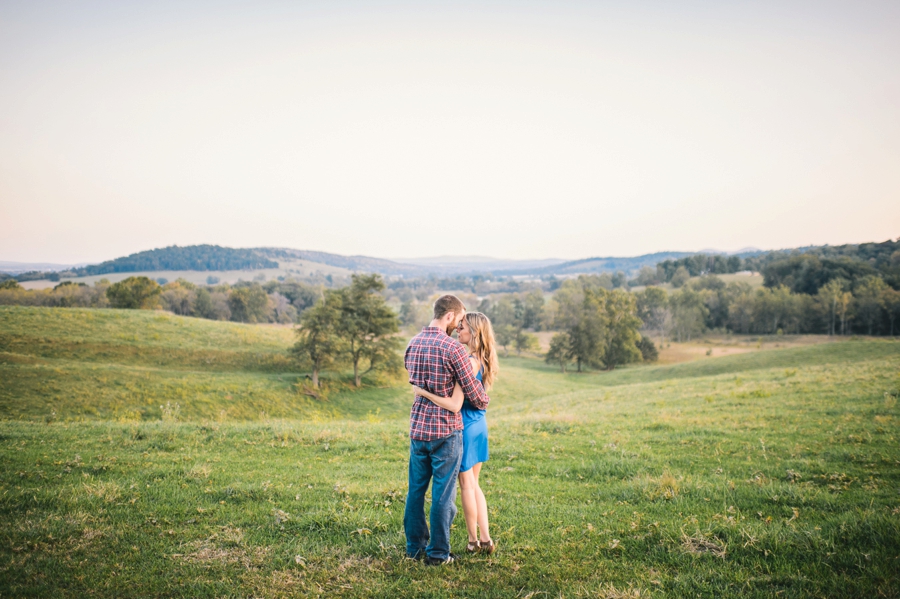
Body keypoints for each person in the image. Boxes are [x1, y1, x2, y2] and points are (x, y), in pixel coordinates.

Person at [403, 295, 490, 565]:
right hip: (445, 432)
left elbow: (413, 377)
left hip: (418, 430)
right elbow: (477, 396)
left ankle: (415, 549)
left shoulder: (412, 343)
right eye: (459, 319)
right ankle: (439, 554)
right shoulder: (453, 350)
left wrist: (425, 391)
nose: (458, 326)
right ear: (450, 316)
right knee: (442, 496)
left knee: (415, 492)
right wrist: (482, 399)